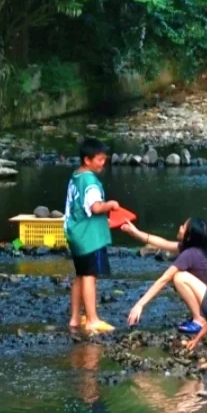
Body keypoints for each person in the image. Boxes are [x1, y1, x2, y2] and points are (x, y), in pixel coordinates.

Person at [122, 217, 207, 335]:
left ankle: (199, 320)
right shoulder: (194, 249)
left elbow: (164, 279)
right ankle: (201, 317)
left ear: (189, 236)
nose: (180, 227)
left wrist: (140, 305)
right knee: (180, 278)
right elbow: (163, 243)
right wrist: (136, 233)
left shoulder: (190, 254)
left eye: (183, 227)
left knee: (179, 278)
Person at [64, 136, 120, 335]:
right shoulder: (90, 181)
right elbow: (95, 207)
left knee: (80, 275)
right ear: (87, 160)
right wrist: (110, 205)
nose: (103, 163)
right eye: (100, 159)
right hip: (89, 238)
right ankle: (92, 319)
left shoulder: (76, 176)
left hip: (75, 233)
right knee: (90, 276)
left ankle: (74, 318)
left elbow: (80, 207)